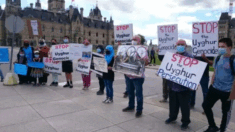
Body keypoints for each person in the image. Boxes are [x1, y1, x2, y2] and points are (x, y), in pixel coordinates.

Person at [203, 38, 234, 132]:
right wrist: (211, 84)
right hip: (215, 88)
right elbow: (215, 71)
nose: (220, 49)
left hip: (227, 91)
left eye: (223, 47)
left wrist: (232, 94)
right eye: (219, 47)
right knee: (206, 106)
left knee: (225, 113)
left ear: (230, 47)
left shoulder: (233, 60)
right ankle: (212, 126)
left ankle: (222, 129)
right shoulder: (218, 57)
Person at [164, 39, 192, 130]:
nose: (180, 46)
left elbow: (193, 73)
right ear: (176, 46)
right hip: (172, 86)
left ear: (186, 46)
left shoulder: (190, 58)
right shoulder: (172, 57)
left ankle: (185, 122)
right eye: (178, 44)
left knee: (184, 106)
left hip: (184, 87)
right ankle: (172, 117)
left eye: (182, 44)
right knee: (173, 104)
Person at [122, 35, 149, 118]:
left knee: (138, 94)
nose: (133, 41)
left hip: (138, 76)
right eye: (132, 39)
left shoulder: (142, 50)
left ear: (139, 41)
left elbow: (147, 62)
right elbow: (123, 60)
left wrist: (145, 61)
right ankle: (131, 106)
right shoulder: (128, 49)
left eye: (135, 39)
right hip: (128, 75)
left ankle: (139, 110)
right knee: (130, 92)